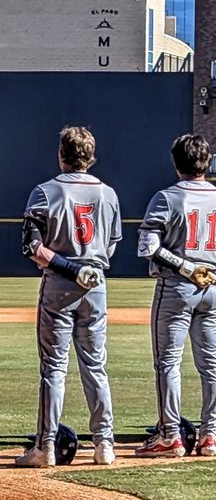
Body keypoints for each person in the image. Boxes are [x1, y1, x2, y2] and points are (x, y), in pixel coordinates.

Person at [17, 127, 122, 468]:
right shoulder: (109, 194)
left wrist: (68, 266)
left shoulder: (45, 192)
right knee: (95, 366)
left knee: (54, 369)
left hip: (59, 285)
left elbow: (31, 248)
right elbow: (111, 244)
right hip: (96, 284)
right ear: (91, 158)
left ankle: (45, 446)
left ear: (61, 154)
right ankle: (104, 444)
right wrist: (85, 268)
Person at [135, 134, 216, 458]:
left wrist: (184, 266)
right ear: (208, 162)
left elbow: (147, 247)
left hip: (177, 285)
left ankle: (170, 436)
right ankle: (210, 437)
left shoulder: (166, 197)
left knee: (168, 364)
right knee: (211, 364)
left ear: (176, 163)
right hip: (212, 286)